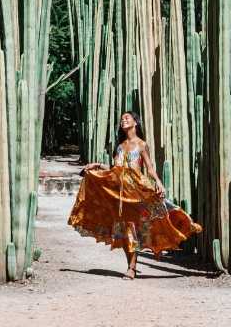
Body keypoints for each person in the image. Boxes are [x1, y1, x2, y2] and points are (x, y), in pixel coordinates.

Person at [67, 111, 201, 279]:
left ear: (135, 123)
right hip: (121, 194)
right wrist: (96, 165)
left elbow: (150, 168)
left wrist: (159, 183)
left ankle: (132, 267)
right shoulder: (120, 146)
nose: (123, 121)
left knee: (137, 228)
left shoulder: (141, 145)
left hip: (137, 192)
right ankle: (130, 265)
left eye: (127, 118)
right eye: (122, 119)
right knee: (123, 230)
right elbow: (115, 169)